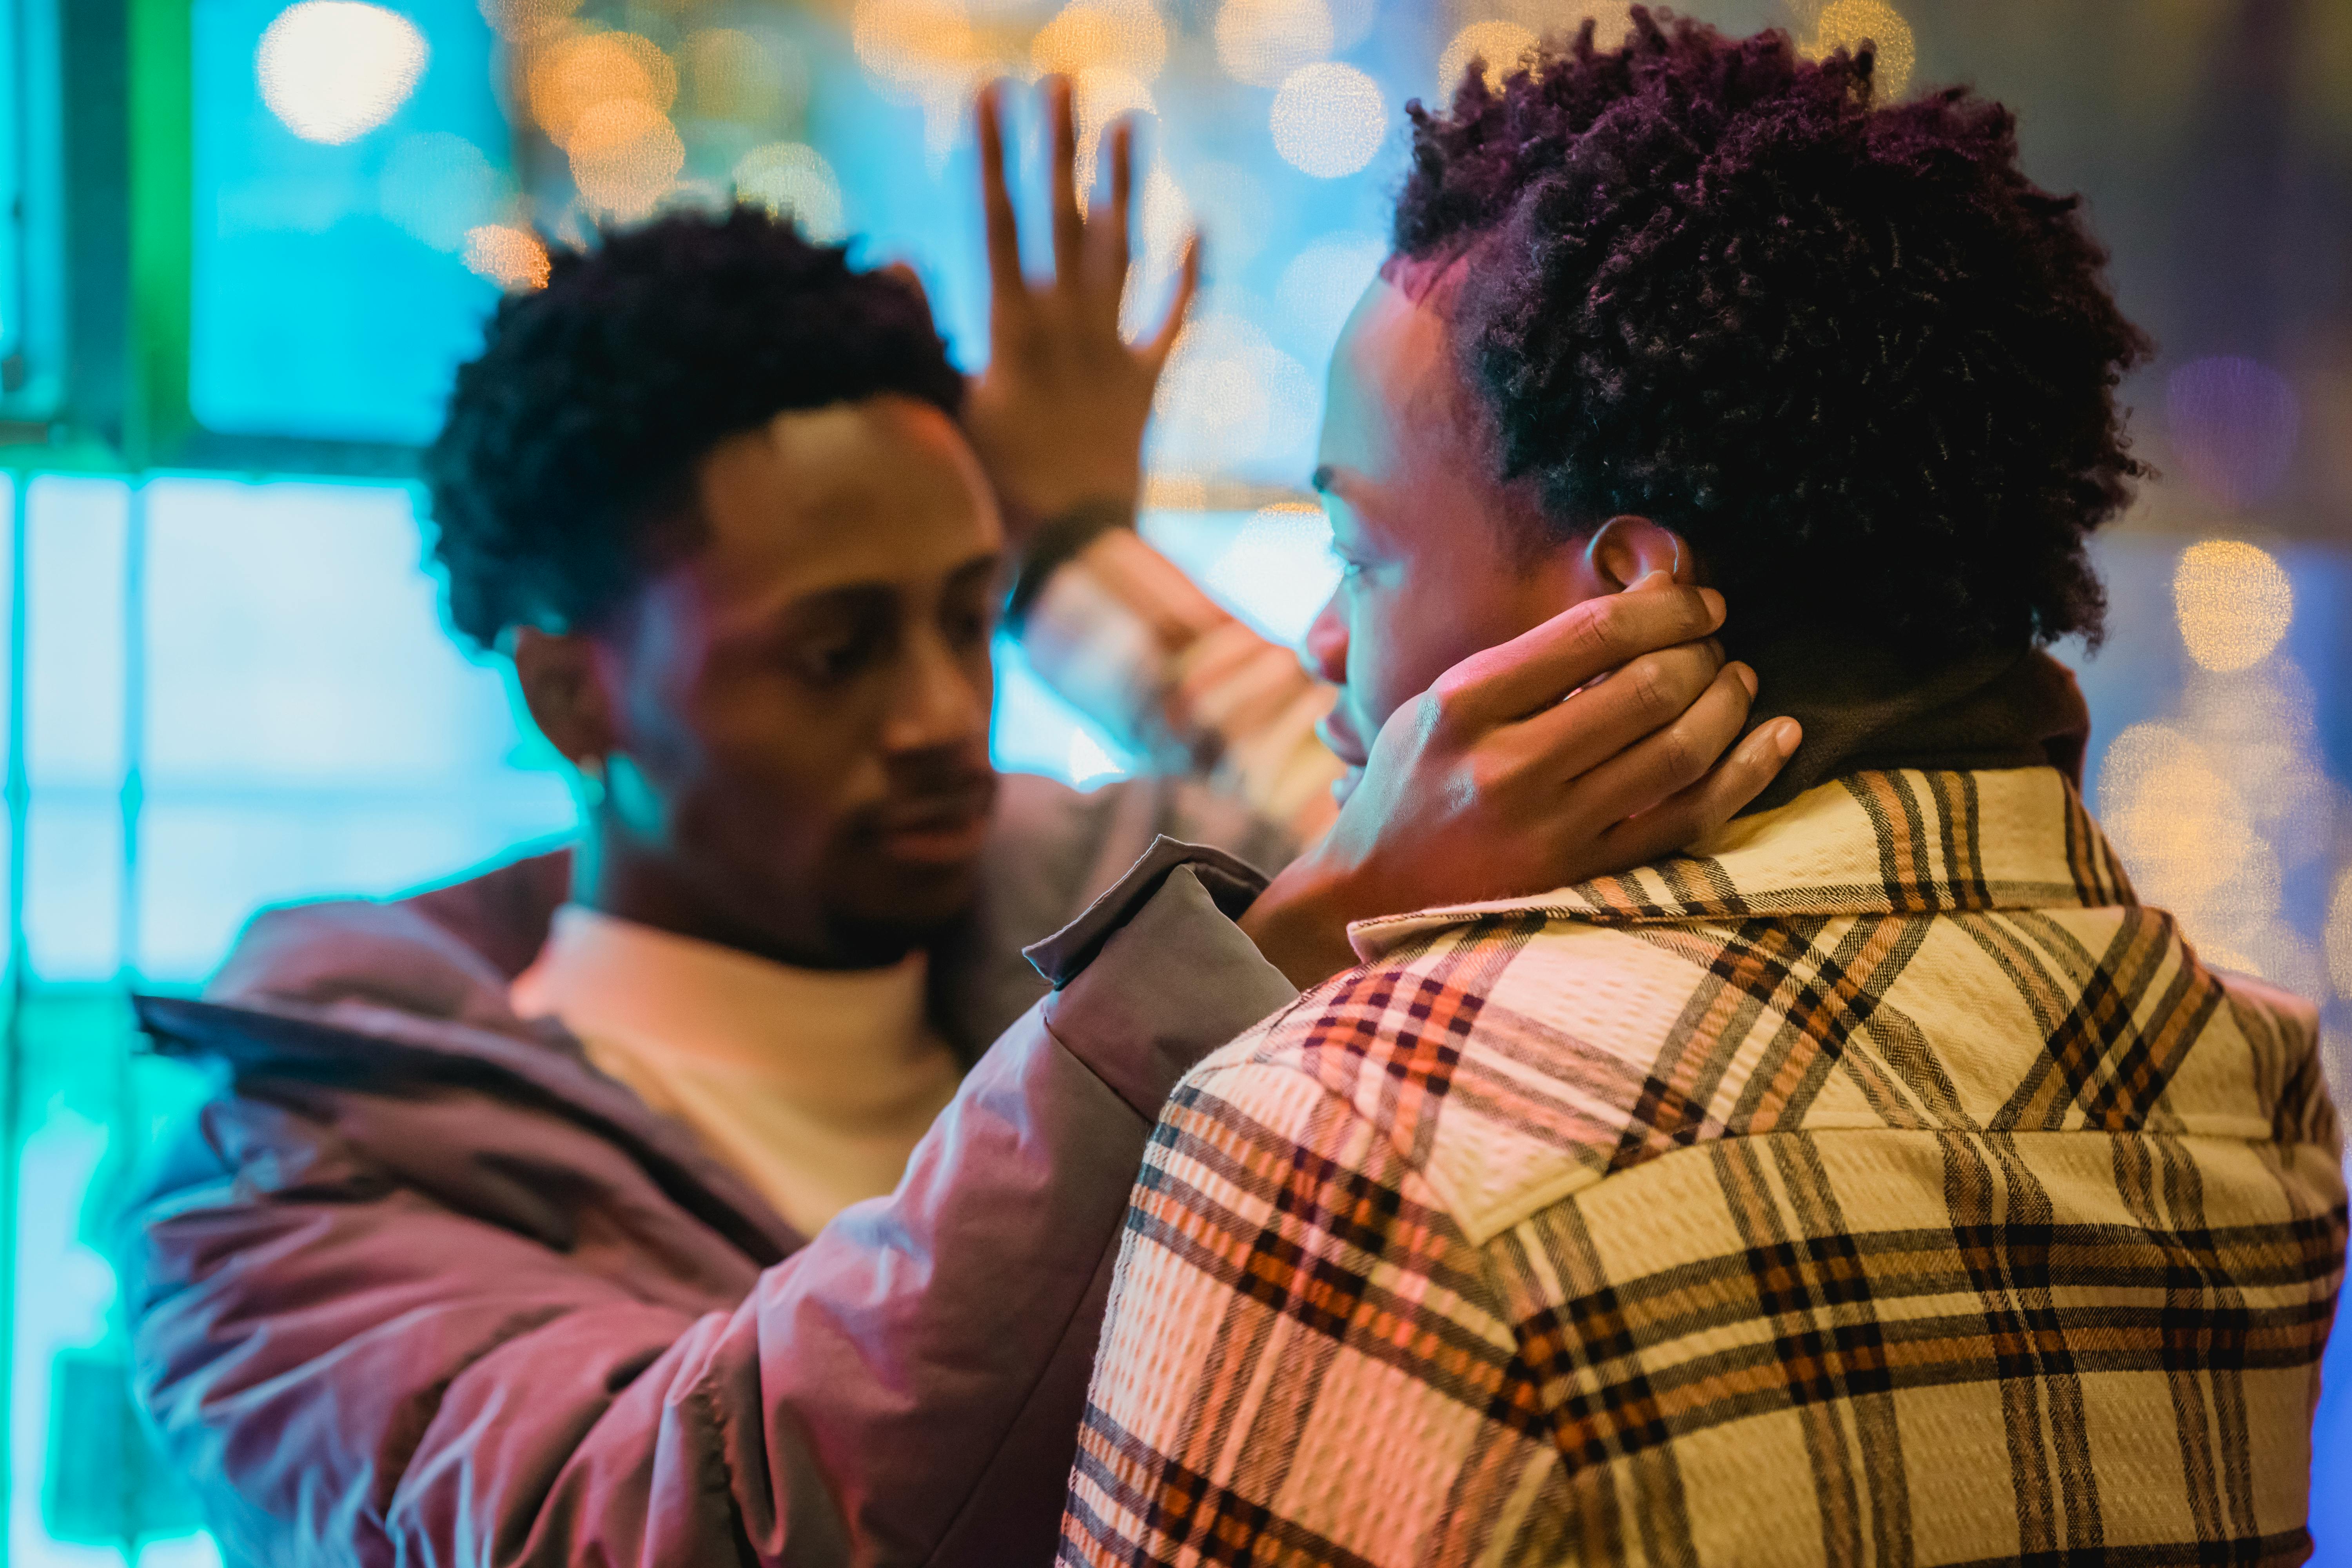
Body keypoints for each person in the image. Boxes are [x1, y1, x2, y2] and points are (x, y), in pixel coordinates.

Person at [119, 80, 1797, 1568]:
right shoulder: (303, 1170)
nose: (939, 713)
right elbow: (639, 1524)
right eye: (838, 651)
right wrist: (1239, 969)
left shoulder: (1092, 889)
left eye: (969, 618)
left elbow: (1414, 782)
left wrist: (1078, 552)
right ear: (574, 698)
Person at [1062, 16, 2347, 1566]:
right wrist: (1068, 570)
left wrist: (1303, 940)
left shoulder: (1352, 1136)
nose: (1322, 636)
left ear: (1624, 611)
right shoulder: (2236, 1074)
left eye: (1358, 551)